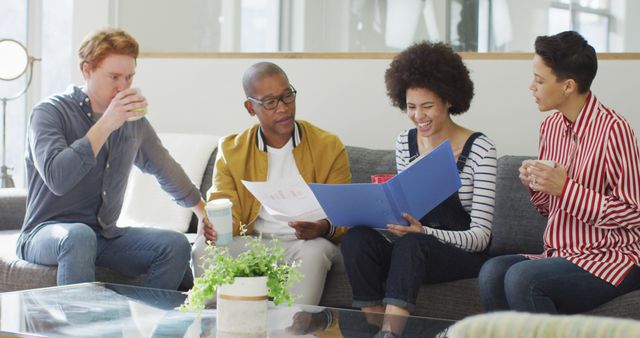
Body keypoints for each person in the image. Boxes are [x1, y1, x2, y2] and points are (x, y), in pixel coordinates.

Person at [16, 28, 214, 290]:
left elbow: (165, 168)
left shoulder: (132, 122)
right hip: (45, 234)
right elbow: (58, 178)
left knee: (174, 245)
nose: (123, 86)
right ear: (87, 70)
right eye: (114, 77)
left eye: (129, 77)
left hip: (104, 236)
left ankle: (143, 324)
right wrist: (107, 123)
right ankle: (78, 331)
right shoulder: (49, 113)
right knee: (79, 235)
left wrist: (201, 211)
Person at [341, 41, 497, 337]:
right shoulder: (405, 142)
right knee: (357, 240)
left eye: (427, 106)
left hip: (458, 254)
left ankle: (391, 333)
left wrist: (423, 233)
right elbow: (407, 212)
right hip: (413, 248)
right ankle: (372, 327)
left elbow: (480, 238)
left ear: (449, 100)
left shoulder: (481, 149)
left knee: (412, 245)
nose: (418, 116)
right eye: (411, 107)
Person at [478, 31, 640, 314]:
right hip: (561, 253)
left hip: (612, 259)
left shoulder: (615, 130)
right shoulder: (550, 127)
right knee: (492, 271)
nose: (531, 87)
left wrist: (566, 189)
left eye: (539, 80)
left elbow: (633, 212)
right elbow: (548, 209)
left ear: (567, 86)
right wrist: (536, 186)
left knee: (521, 279)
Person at [191, 62, 352, 305]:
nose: (283, 108)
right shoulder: (232, 150)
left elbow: (345, 215)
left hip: (307, 244)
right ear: (250, 107)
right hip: (255, 243)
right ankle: (215, 326)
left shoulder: (328, 146)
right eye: (270, 102)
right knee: (203, 248)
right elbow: (225, 208)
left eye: (287, 96)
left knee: (314, 253)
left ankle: (291, 328)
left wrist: (321, 227)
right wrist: (216, 227)